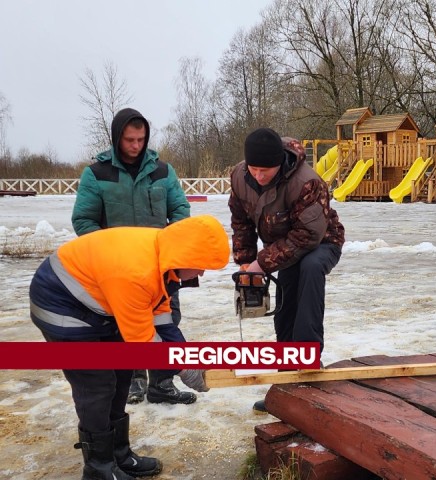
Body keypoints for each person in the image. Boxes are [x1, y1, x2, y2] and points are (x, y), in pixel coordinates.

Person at [30, 214, 230, 480]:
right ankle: (99, 468)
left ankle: (119, 455)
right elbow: (143, 341)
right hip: (60, 304)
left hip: (99, 304)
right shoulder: (137, 272)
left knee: (123, 372)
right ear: (186, 257)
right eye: (202, 266)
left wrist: (186, 357)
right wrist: (183, 368)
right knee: (97, 384)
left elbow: (162, 322)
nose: (202, 273)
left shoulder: (164, 264)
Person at [72, 107, 195, 406]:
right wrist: (109, 253)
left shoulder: (163, 171)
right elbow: (83, 221)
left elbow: (180, 211)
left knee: (167, 319)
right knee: (123, 325)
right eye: (129, 139)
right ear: (117, 139)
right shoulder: (97, 173)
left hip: (159, 267)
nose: (136, 146)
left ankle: (162, 384)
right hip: (117, 270)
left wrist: (173, 247)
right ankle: (133, 381)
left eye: (141, 139)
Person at [228, 127, 345, 413]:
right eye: (254, 169)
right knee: (285, 306)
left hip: (320, 242)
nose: (259, 176)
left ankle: (308, 368)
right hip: (283, 248)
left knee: (309, 271)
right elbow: (241, 223)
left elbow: (308, 236)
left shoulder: (307, 182)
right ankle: (286, 381)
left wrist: (262, 262)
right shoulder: (239, 178)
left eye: (265, 170)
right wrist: (246, 263)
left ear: (280, 163)